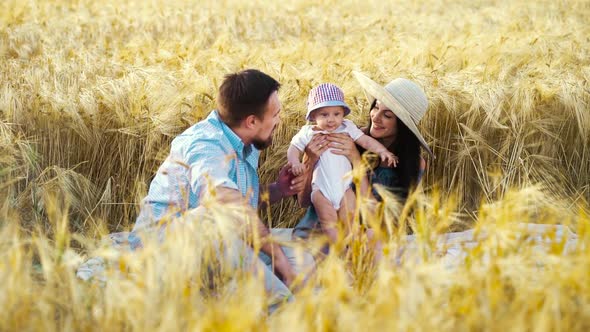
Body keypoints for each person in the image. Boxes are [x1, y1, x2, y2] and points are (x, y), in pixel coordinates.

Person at [128, 69, 314, 313]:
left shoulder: (244, 142)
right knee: (218, 221)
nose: (279, 120)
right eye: (276, 114)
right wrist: (278, 259)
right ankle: (284, 313)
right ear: (251, 121)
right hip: (162, 249)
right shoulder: (205, 144)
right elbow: (225, 203)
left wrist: (277, 190)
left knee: (303, 260)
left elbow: (241, 207)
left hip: (216, 244)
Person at [294, 72, 434, 243]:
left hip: (364, 238)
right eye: (376, 107)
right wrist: (310, 160)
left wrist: (356, 160)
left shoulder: (413, 164)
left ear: (404, 125)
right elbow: (303, 201)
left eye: (387, 115)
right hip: (320, 232)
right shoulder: (344, 136)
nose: (375, 117)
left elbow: (380, 222)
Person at [287, 83, 397, 244]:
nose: (331, 119)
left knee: (349, 219)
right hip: (321, 189)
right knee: (329, 221)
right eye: (324, 115)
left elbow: (366, 141)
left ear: (343, 114)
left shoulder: (347, 128)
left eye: (336, 114)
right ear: (313, 116)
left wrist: (382, 152)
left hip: (345, 189)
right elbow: (293, 148)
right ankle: (338, 248)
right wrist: (297, 161)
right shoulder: (308, 133)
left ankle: (347, 245)